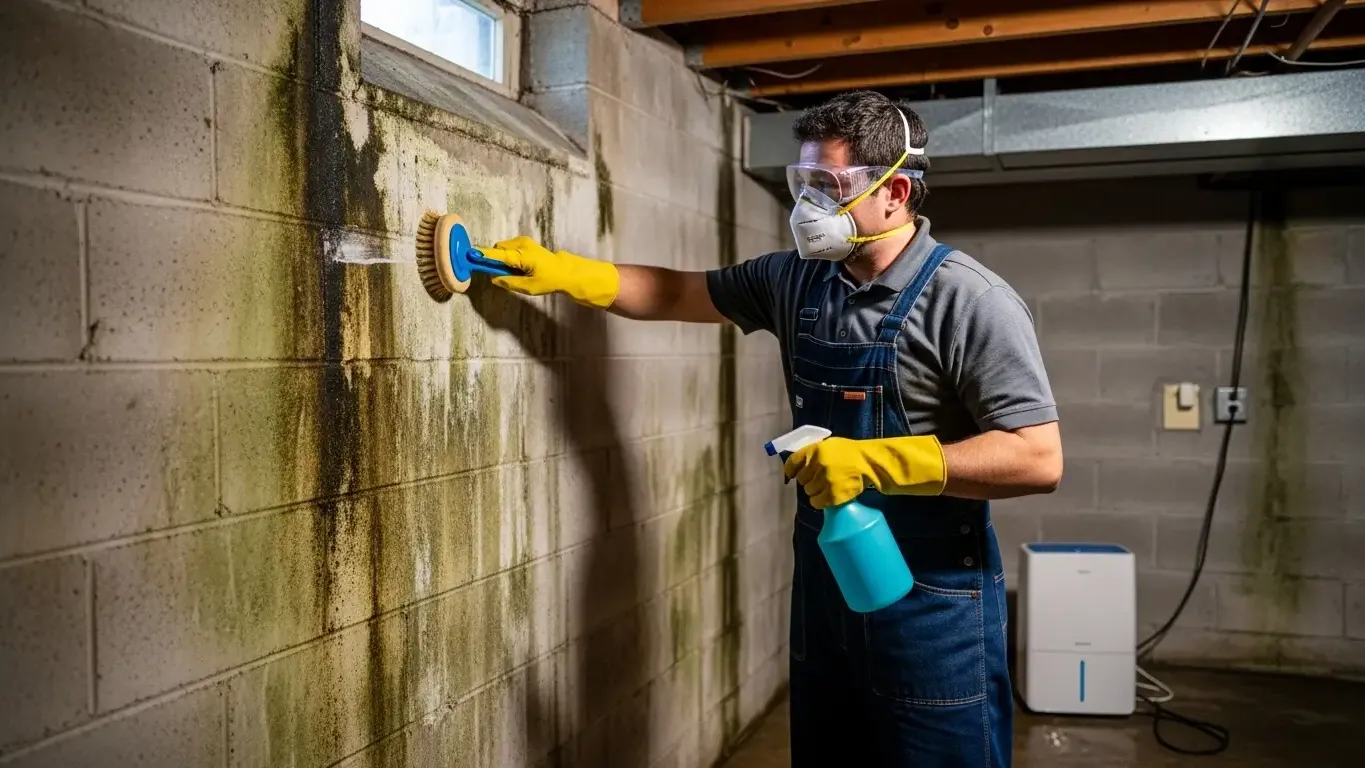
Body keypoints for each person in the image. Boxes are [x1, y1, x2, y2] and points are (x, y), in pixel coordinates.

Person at [484, 90, 1062, 767]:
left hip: (931, 605)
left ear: (895, 191)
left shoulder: (971, 302)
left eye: (829, 186)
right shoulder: (797, 281)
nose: (807, 206)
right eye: (802, 183)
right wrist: (568, 274)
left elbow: (1036, 458)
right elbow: (677, 293)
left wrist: (877, 463)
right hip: (825, 586)